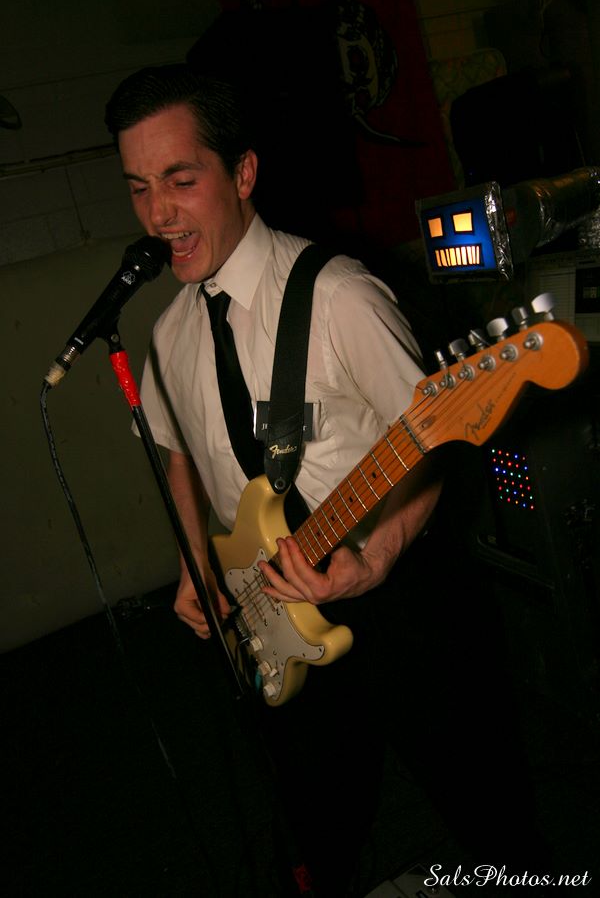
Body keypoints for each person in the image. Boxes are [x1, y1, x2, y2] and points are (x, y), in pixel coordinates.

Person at [105, 64, 547, 897]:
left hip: (401, 597)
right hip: (272, 608)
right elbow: (179, 455)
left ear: (243, 173)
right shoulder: (166, 336)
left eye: (180, 180)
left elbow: (435, 440)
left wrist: (376, 555)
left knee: (492, 820)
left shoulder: (341, 296)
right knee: (315, 831)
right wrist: (194, 561)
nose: (158, 215)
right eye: (138, 188)